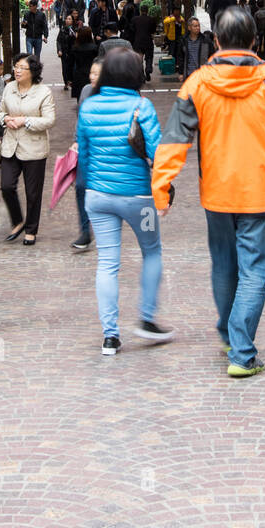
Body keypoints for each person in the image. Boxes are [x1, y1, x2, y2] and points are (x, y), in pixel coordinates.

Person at [152, 6, 265, 378]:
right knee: (253, 271)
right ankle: (241, 351)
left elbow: (174, 139)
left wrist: (162, 188)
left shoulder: (198, 83)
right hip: (262, 191)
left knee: (224, 265)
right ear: (254, 40)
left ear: (216, 40)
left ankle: (228, 335)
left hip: (217, 192)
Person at [78, 48, 171, 355]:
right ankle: (146, 318)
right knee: (152, 251)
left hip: (98, 197)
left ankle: (110, 336)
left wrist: (89, 189)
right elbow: (159, 154)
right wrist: (165, 190)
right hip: (138, 198)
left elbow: (85, 155)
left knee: (107, 263)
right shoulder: (141, 106)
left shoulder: (88, 107)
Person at [0, 53, 55, 246]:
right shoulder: (9, 88)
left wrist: (25, 121)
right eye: (16, 67)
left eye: (22, 67)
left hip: (34, 148)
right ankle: (17, 220)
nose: (17, 70)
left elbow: (49, 120)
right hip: (10, 145)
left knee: (33, 192)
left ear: (33, 72)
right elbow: (0, 111)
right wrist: (5, 119)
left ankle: (31, 229)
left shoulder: (44, 92)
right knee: (6, 185)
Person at [71, 59, 102, 252]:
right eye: (91, 73)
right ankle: (85, 231)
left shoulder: (116, 94)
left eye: (97, 74)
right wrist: (76, 140)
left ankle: (104, 226)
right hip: (85, 147)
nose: (92, 77)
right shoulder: (85, 91)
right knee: (81, 186)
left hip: (106, 150)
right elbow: (81, 119)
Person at [70, 24, 98, 100]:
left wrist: (69, 78)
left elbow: (71, 63)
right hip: (90, 72)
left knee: (80, 96)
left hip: (79, 73)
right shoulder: (94, 48)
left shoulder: (75, 48)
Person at [131, 3, 156, 82]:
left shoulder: (135, 19)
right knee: (149, 57)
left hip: (138, 41)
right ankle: (148, 68)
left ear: (140, 11)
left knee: (139, 59)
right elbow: (153, 31)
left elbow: (132, 30)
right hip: (148, 41)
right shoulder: (151, 19)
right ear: (147, 11)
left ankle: (141, 74)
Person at [56, 11, 77, 87]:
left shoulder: (75, 30)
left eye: (69, 19)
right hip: (64, 52)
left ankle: (71, 81)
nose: (67, 20)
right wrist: (59, 50)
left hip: (73, 53)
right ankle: (66, 82)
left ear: (72, 21)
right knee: (65, 68)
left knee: (72, 68)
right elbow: (58, 40)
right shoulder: (62, 30)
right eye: (66, 19)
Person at [162, 6, 185, 74]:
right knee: (172, 52)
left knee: (178, 52)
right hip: (172, 38)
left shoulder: (181, 18)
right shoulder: (170, 17)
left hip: (179, 38)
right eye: (176, 11)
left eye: (178, 11)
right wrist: (173, 19)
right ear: (173, 12)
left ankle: (177, 66)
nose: (177, 12)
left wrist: (182, 22)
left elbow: (183, 25)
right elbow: (165, 21)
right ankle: (171, 66)